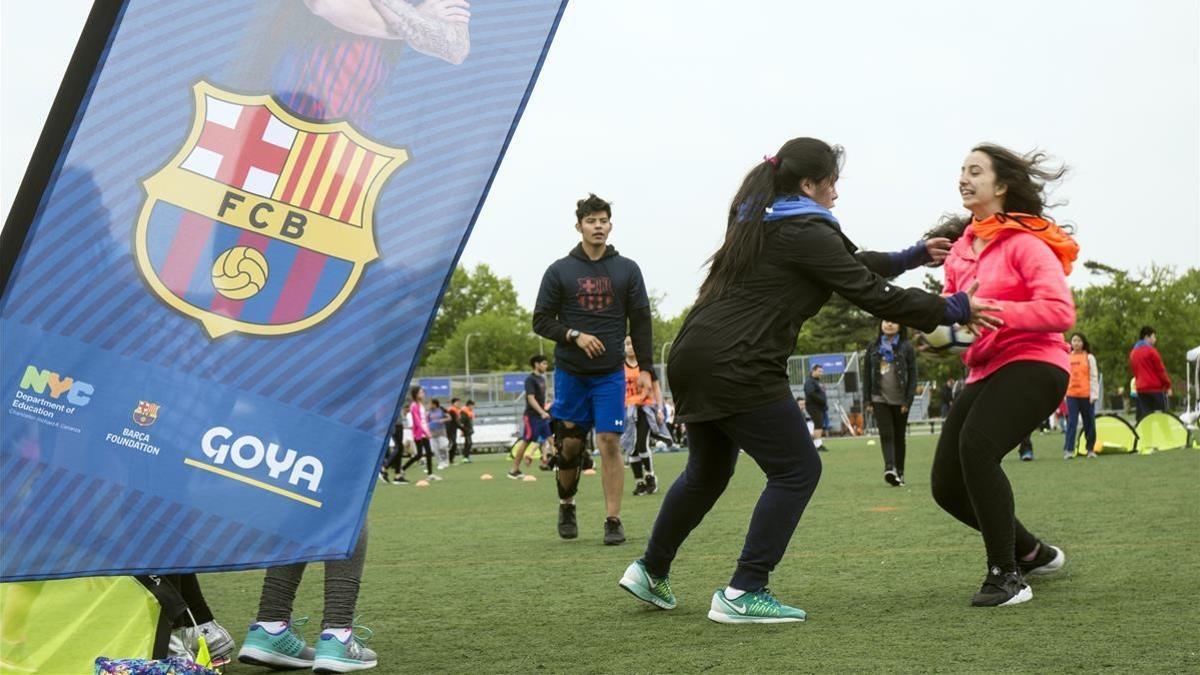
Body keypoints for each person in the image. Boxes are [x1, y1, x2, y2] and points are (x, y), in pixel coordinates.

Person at [617, 137, 987, 623]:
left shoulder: (765, 219)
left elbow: (847, 264)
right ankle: (744, 589)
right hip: (738, 362)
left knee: (707, 474)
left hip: (694, 354)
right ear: (809, 184)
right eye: (832, 182)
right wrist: (953, 308)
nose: (836, 192)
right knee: (797, 469)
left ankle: (650, 569)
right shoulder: (805, 230)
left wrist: (913, 255)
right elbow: (868, 291)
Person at [929, 143, 1079, 607]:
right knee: (946, 485)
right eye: (961, 170)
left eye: (975, 171)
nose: (963, 178)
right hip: (985, 369)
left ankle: (1007, 576)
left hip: (1037, 362)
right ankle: (1031, 551)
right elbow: (958, 319)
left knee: (977, 447)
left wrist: (994, 313)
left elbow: (1060, 311)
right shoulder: (958, 254)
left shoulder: (1026, 244)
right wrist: (940, 335)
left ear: (1001, 185)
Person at [532, 193, 654, 545]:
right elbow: (540, 320)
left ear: (610, 225)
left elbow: (641, 320)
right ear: (579, 226)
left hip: (610, 373)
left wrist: (646, 367)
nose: (598, 226)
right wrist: (574, 335)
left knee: (609, 441)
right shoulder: (560, 270)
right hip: (571, 373)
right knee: (569, 447)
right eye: (591, 221)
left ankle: (612, 519)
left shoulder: (627, 269)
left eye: (603, 220)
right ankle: (567, 503)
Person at [863, 320, 918, 486]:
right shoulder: (872, 348)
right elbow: (866, 375)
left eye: (894, 322)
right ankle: (890, 468)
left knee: (899, 437)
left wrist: (908, 400)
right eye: (886, 321)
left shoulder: (907, 347)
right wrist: (867, 399)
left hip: (901, 399)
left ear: (901, 326)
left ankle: (900, 472)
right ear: (881, 324)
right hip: (879, 397)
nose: (889, 325)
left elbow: (913, 376)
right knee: (886, 434)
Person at [621, 336, 660, 496]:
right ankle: (639, 482)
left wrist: (660, 409)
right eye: (627, 344)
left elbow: (656, 387)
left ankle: (650, 476)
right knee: (631, 448)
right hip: (626, 412)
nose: (630, 347)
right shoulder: (619, 367)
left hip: (644, 409)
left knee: (642, 444)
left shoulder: (645, 367)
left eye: (632, 343)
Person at [509, 355, 552, 479]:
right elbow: (530, 398)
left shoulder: (542, 379)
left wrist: (546, 408)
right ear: (536, 364)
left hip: (542, 416)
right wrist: (541, 412)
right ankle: (514, 470)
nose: (546, 366)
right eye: (543, 363)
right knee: (526, 441)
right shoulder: (530, 379)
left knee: (551, 439)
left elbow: (542, 397)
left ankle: (559, 465)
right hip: (532, 417)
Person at [1064, 333, 1100, 459]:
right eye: (1074, 340)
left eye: (1079, 341)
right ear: (1071, 343)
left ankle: (1090, 449)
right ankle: (1068, 450)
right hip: (1071, 395)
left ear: (1083, 343)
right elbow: (1065, 377)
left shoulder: (1089, 357)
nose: (1076, 343)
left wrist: (1094, 394)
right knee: (1071, 423)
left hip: (1086, 395)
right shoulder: (1067, 357)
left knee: (1089, 422)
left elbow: (1094, 376)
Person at [1129, 326, 1172, 421]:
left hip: (1141, 389)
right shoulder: (1152, 351)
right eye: (1153, 337)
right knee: (1163, 418)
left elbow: (1135, 371)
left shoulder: (1133, 353)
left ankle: (1146, 436)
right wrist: (1168, 385)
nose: (1155, 339)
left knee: (1146, 419)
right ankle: (1165, 436)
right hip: (1155, 389)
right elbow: (1160, 370)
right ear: (1147, 337)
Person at [400, 386, 440, 481]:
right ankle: (402, 468)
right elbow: (417, 422)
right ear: (416, 394)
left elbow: (424, 420)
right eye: (421, 392)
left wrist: (427, 431)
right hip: (419, 433)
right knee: (419, 454)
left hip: (424, 431)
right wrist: (425, 432)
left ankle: (430, 474)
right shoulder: (414, 406)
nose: (423, 394)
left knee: (429, 452)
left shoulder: (421, 404)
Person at [803, 365, 828, 450]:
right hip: (813, 406)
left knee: (819, 425)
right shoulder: (809, 381)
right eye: (819, 371)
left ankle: (818, 444)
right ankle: (817, 445)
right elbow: (810, 393)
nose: (821, 373)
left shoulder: (817, 381)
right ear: (813, 371)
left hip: (819, 406)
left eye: (822, 371)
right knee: (818, 425)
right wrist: (821, 400)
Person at [427, 399, 450, 470]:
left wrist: (443, 420)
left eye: (430, 404)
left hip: (441, 431)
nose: (429, 405)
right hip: (432, 432)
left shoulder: (442, 410)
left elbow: (449, 418)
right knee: (435, 449)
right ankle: (440, 463)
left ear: (434, 404)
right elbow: (426, 421)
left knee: (443, 446)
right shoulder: (428, 412)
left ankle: (446, 460)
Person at [445, 397, 462, 464]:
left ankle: (450, 460)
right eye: (457, 402)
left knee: (452, 444)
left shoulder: (456, 410)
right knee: (451, 444)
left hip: (453, 429)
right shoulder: (451, 410)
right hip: (450, 429)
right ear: (453, 403)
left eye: (459, 402)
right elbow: (454, 421)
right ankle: (448, 459)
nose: (458, 404)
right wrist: (463, 428)